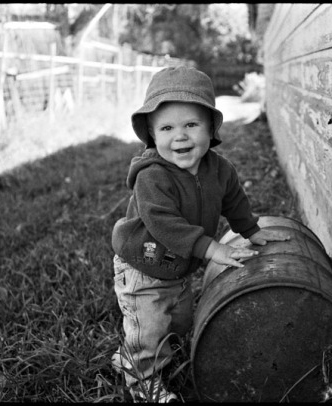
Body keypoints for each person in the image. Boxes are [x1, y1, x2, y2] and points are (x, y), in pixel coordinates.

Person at [111, 66, 290, 402]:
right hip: (142, 265)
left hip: (178, 266)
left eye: (191, 125)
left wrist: (250, 230)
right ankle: (142, 382)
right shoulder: (152, 177)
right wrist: (210, 248)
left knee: (179, 321)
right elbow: (163, 222)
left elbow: (234, 200)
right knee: (149, 328)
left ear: (211, 127)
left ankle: (143, 355)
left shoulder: (219, 169)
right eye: (166, 128)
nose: (180, 136)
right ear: (151, 134)